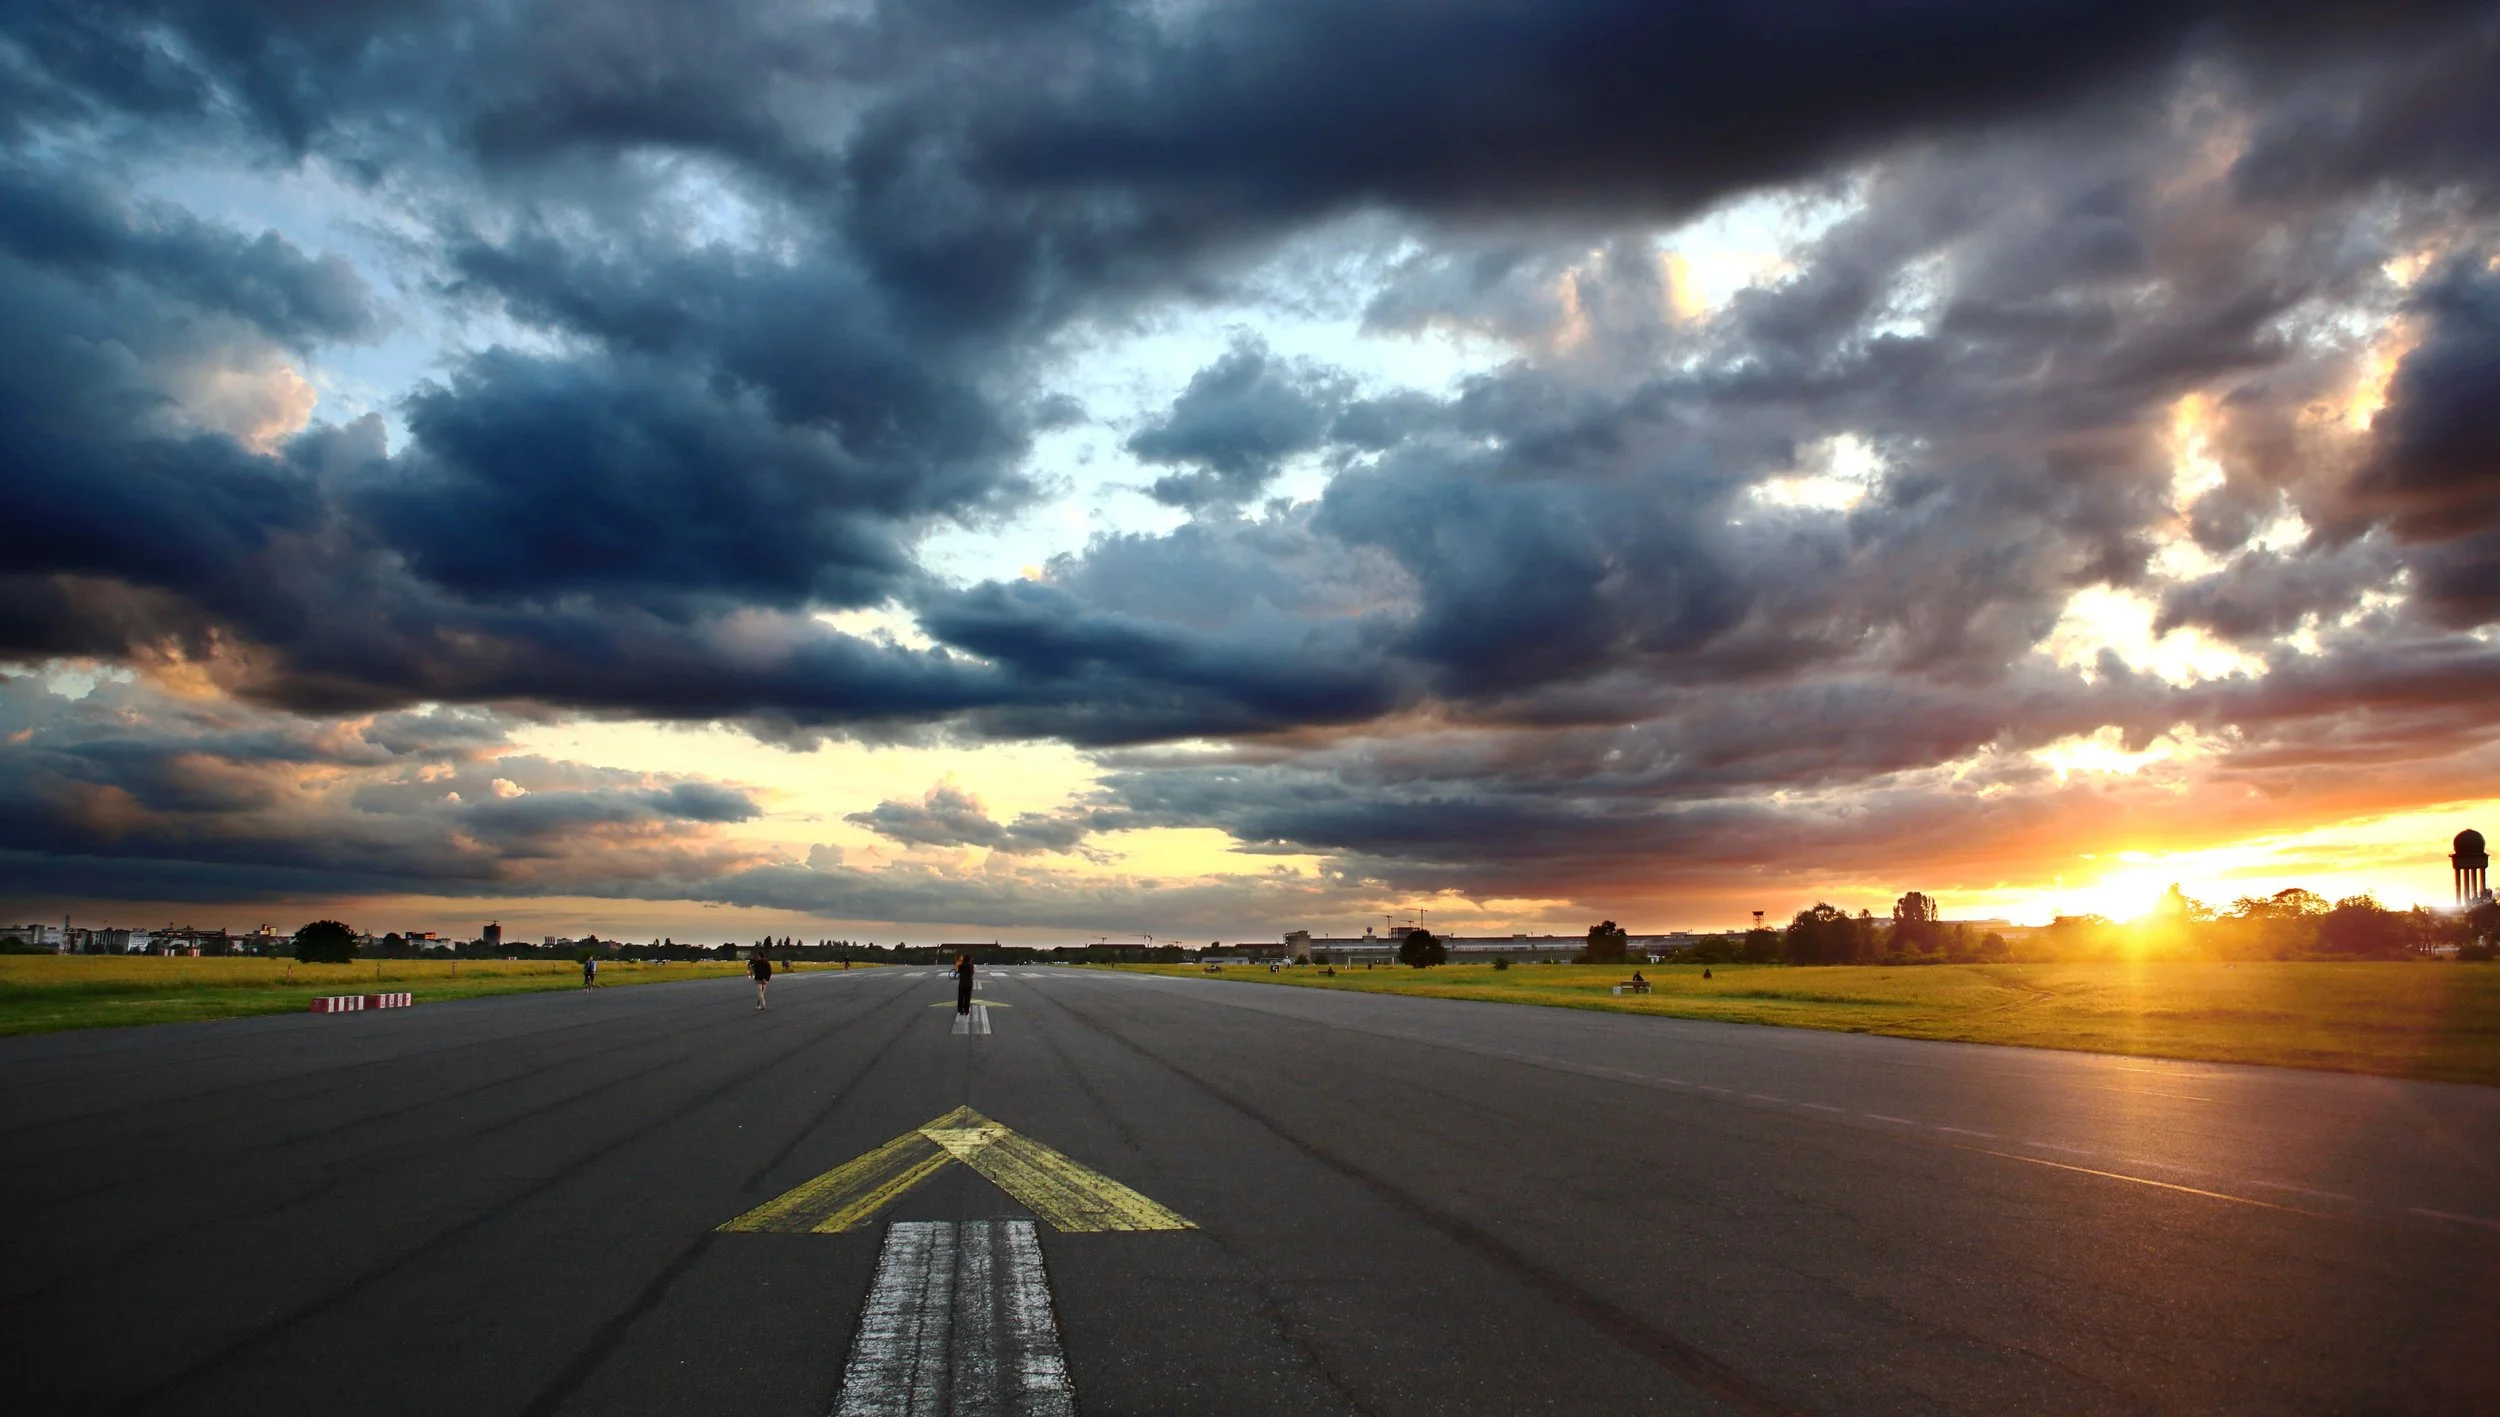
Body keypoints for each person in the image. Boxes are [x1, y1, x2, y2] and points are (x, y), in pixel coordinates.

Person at [954, 951, 975, 1015]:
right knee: (967, 998)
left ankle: (960, 1010)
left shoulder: (961, 965)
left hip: (962, 983)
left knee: (961, 997)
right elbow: (972, 973)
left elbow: (957, 971)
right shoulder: (971, 966)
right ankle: (966, 1010)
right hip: (969, 984)